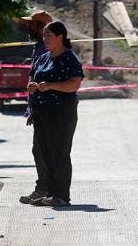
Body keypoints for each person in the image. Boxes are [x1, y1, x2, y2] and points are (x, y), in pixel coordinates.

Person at [27, 21, 84, 207]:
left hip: (61, 113)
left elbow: (74, 83)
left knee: (59, 152)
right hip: (41, 113)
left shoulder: (69, 59)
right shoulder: (43, 58)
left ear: (60, 37)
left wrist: (51, 86)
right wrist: (33, 87)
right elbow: (33, 76)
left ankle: (62, 195)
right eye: (44, 36)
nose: (45, 39)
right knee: (45, 153)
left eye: (49, 36)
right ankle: (51, 193)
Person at [19, 9, 54, 204]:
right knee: (41, 149)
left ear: (41, 27)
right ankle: (48, 189)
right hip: (39, 107)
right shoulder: (39, 47)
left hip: (47, 108)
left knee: (41, 149)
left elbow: (42, 81)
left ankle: (45, 189)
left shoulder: (46, 49)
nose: (28, 27)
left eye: (32, 24)